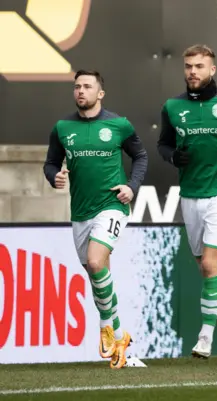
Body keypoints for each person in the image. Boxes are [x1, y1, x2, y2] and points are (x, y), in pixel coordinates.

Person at [43, 70, 148, 369]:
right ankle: (120, 344)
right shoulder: (62, 128)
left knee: (97, 262)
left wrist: (132, 186)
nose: (81, 91)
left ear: (100, 93)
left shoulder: (118, 124)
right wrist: (55, 176)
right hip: (81, 212)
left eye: (87, 86)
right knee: (96, 274)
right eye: (77, 86)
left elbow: (140, 157)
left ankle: (105, 325)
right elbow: (50, 163)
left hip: (111, 206)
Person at [157, 44, 217, 358]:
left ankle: (205, 338)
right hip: (190, 194)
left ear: (212, 70)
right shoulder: (173, 107)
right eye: (188, 66)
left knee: (211, 264)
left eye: (199, 66)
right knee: (204, 266)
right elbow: (163, 144)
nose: (192, 72)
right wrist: (173, 156)